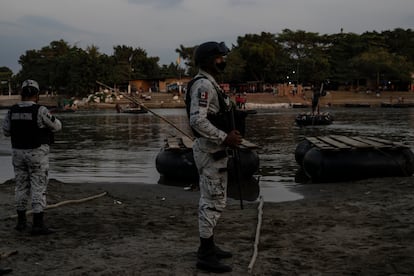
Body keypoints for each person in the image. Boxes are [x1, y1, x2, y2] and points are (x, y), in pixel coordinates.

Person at [186, 41, 242, 273]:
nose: (222, 61)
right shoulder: (203, 86)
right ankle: (206, 254)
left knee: (214, 199)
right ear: (208, 60)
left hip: (214, 150)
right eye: (219, 57)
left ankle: (208, 245)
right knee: (212, 202)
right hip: (210, 151)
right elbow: (197, 120)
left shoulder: (210, 84)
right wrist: (223, 137)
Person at [2, 79, 62, 235]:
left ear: (22, 94)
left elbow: (6, 131)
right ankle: (37, 224)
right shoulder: (41, 110)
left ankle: (21, 223)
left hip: (18, 153)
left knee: (21, 186)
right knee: (38, 186)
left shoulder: (12, 111)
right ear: (37, 94)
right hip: (37, 153)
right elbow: (57, 126)